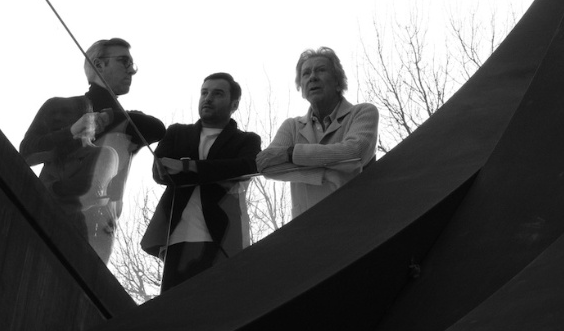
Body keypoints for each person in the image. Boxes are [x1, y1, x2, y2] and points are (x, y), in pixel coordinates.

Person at [19, 38, 165, 263]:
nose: (131, 70)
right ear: (98, 65)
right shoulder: (60, 107)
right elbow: (27, 153)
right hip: (53, 215)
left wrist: (108, 117)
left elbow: (157, 129)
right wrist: (71, 132)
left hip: (101, 232)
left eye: (132, 64)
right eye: (124, 61)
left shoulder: (129, 123)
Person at [146, 72, 263, 292]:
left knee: (220, 300)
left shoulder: (247, 140)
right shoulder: (176, 132)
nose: (208, 98)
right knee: (173, 303)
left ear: (234, 104)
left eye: (217, 94)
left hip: (224, 234)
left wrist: (188, 167)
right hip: (176, 235)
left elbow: (248, 167)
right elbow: (160, 173)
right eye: (204, 92)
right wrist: (215, 171)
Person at [256, 47, 378, 218]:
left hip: (354, 220)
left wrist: (290, 154)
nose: (312, 77)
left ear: (338, 82)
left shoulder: (363, 113)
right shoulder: (291, 126)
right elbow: (266, 165)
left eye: (321, 70)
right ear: (301, 87)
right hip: (306, 225)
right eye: (306, 73)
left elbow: (355, 152)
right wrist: (324, 174)